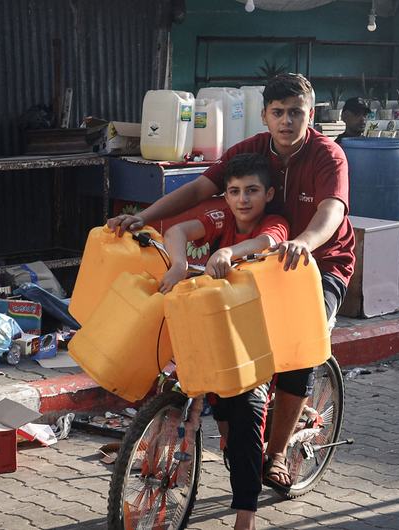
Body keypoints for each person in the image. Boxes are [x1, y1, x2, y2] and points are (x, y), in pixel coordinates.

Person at [109, 72, 355, 495]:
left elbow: (331, 211)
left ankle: (276, 454)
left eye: (296, 112)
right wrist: (145, 216)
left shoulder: (327, 156)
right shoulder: (250, 151)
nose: (287, 121)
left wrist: (303, 242)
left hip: (320, 262)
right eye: (278, 112)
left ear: (310, 115)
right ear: (264, 116)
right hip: (255, 262)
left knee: (296, 352)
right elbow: (198, 189)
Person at [158, 153, 288, 530]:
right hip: (218, 330)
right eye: (234, 192)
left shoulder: (273, 222)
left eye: (252, 191)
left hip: (258, 337)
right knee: (215, 404)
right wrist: (180, 262)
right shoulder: (221, 218)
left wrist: (230, 251)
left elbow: (269, 240)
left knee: (246, 414)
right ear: (226, 197)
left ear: (269, 194)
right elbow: (177, 232)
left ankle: (245, 515)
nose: (243, 199)